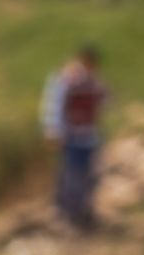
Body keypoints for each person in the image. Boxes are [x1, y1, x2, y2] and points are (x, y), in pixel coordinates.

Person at [41, 45, 108, 229]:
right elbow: (54, 104)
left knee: (89, 177)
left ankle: (84, 211)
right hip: (72, 136)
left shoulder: (94, 80)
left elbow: (104, 99)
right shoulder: (67, 78)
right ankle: (68, 213)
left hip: (89, 135)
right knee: (72, 176)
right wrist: (53, 130)